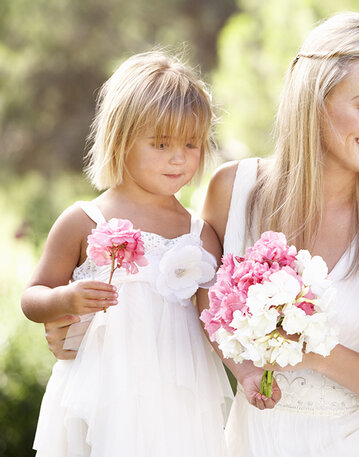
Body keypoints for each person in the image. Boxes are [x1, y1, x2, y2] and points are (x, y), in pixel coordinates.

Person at [200, 12, 359, 456]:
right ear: (313, 101)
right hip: (254, 442)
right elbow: (196, 296)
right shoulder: (232, 190)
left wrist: (314, 350)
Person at [21, 51, 233, 457]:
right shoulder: (84, 220)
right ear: (121, 139)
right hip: (103, 393)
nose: (179, 157)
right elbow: (32, 297)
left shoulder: (200, 234)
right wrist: (65, 299)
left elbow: (213, 321)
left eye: (191, 143)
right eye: (161, 143)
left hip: (177, 401)